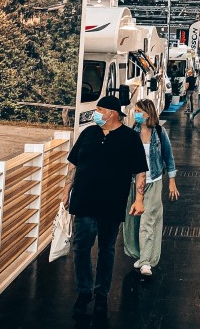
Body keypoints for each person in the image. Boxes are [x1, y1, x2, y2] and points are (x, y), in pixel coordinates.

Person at [63, 96, 148, 317]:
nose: (96, 113)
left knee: (106, 250)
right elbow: (73, 164)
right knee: (81, 247)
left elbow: (140, 170)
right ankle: (84, 291)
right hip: (83, 200)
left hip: (112, 203)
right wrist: (66, 191)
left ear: (112, 113)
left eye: (100, 109)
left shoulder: (130, 138)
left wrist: (139, 199)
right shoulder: (88, 134)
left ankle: (101, 293)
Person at [124, 100, 179, 277]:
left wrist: (172, 181)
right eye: (135, 110)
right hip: (134, 183)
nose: (136, 114)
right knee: (134, 222)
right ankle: (141, 255)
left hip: (154, 181)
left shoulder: (159, 132)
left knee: (148, 220)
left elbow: (168, 157)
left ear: (148, 113)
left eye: (139, 111)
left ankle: (147, 261)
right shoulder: (132, 133)